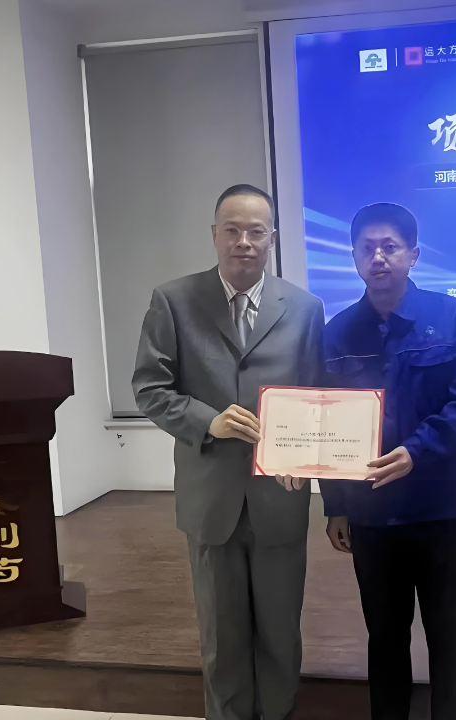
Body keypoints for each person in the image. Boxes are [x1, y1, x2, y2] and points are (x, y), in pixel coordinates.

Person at [132, 184, 324, 720]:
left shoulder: (305, 309)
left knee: (281, 632)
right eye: (232, 230)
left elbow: (317, 396)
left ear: (272, 239)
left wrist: (306, 459)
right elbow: (149, 388)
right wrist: (207, 422)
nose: (244, 242)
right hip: (210, 498)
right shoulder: (174, 300)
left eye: (256, 232)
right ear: (214, 235)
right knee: (222, 636)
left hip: (279, 496)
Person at [321, 203, 456, 720]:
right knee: (385, 633)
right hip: (371, 512)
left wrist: (416, 451)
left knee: (448, 629)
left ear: (413, 255)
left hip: (443, 505)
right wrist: (335, 505)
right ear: (354, 257)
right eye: (367, 248)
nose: (378, 257)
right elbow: (324, 418)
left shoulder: (454, 319)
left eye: (390, 247)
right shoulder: (336, 333)